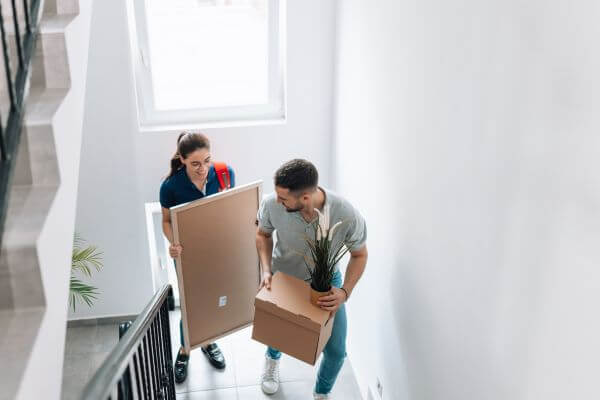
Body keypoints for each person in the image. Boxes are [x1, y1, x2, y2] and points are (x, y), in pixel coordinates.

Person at [255, 159, 368, 399]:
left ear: (305, 198)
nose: (277, 201)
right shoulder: (270, 204)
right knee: (277, 335)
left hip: (327, 284)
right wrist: (266, 271)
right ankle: (272, 361)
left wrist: (345, 292)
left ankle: (321, 393)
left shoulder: (346, 214)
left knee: (337, 351)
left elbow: (360, 254)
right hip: (284, 278)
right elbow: (262, 235)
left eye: (283, 198)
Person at [160, 132, 235, 383]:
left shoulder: (225, 174)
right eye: (195, 163)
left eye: (207, 161)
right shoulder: (170, 187)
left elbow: (230, 208)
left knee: (213, 299)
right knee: (192, 305)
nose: (202, 169)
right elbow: (167, 221)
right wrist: (173, 244)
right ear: (181, 159)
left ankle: (208, 342)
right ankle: (185, 350)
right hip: (188, 255)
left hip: (217, 251)